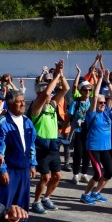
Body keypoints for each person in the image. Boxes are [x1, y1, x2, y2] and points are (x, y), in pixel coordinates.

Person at [0, 90, 37, 222]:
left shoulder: (28, 122)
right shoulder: (2, 122)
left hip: (23, 166)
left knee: (22, 198)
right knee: (4, 198)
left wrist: (33, 164)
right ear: (10, 104)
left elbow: (32, 145)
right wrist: (2, 169)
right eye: (19, 101)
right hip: (8, 167)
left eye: (23, 101)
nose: (23, 104)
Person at [29, 61, 70, 214]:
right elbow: (47, 93)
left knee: (57, 175)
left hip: (52, 146)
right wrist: (56, 75)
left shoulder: (52, 105)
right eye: (45, 93)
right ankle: (36, 201)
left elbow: (66, 89)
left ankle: (46, 198)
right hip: (41, 148)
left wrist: (61, 74)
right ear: (38, 94)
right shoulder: (35, 107)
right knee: (45, 177)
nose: (50, 95)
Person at [81, 71, 112, 204]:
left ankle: (96, 192)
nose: (103, 104)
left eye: (104, 102)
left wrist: (108, 81)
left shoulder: (106, 111)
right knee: (98, 173)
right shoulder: (92, 114)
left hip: (105, 147)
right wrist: (100, 79)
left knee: (109, 172)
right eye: (100, 103)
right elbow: (95, 96)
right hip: (93, 146)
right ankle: (86, 194)